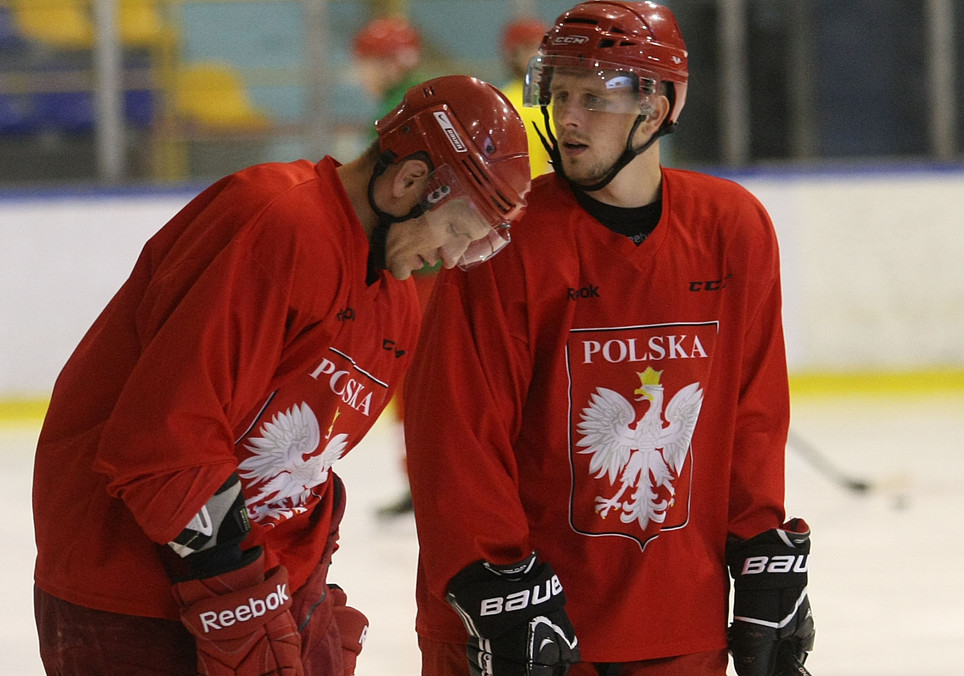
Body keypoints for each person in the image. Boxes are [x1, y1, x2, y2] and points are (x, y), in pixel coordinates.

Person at [32, 75, 530, 675]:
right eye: (454, 230)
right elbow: (166, 438)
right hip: (128, 590)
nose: (451, 258)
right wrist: (241, 606)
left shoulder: (395, 300)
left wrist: (300, 591)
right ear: (410, 181)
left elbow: (304, 466)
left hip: (248, 590)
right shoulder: (278, 219)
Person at [403, 2, 815, 675]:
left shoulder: (730, 227)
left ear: (655, 111)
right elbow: (456, 436)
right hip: (531, 626)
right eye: (560, 93)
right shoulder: (503, 241)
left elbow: (753, 412)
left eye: (593, 97)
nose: (566, 116)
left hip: (682, 620)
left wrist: (761, 545)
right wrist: (494, 583)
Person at [351, 14, 437, 519]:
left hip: (422, 270)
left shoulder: (399, 110)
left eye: (364, 62)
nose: (359, 73)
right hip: (428, 267)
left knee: (416, 375)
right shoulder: (417, 101)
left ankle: (426, 479)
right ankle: (422, 477)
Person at [498, 16, 553, 178]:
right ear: (513, 54)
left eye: (545, 48)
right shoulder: (502, 102)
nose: (540, 56)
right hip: (524, 195)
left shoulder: (563, 99)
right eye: (532, 47)